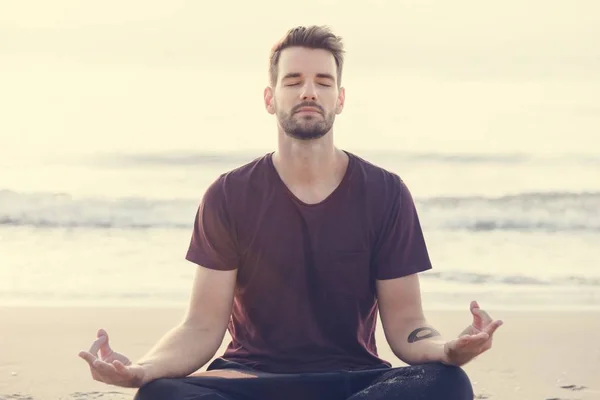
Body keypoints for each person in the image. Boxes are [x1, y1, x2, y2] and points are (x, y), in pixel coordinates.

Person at [78, 25, 503, 400]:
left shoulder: (386, 192)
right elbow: (201, 327)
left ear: (340, 99)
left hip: (354, 381)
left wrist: (448, 350)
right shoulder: (228, 194)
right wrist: (142, 370)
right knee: (160, 395)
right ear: (270, 97)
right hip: (250, 381)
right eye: (293, 80)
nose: (308, 92)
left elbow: (408, 324)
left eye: (322, 81)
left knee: (447, 385)